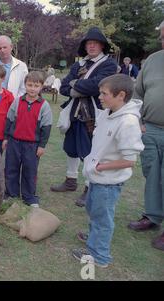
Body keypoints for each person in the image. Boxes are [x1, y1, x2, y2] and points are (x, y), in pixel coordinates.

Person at [72, 74, 144, 267]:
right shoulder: (107, 112)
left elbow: (129, 161)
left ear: (121, 95)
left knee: (103, 218)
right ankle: (94, 237)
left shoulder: (127, 122)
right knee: (94, 210)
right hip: (97, 177)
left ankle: (99, 256)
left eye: (104, 94)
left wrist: (100, 167)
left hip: (108, 181)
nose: (100, 97)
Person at [50, 27, 118, 207]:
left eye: (95, 43)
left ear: (102, 46)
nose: (92, 46)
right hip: (75, 113)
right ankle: (71, 180)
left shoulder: (109, 65)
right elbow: (64, 87)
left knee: (90, 152)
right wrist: (79, 87)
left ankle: (89, 187)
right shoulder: (78, 65)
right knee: (70, 148)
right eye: (89, 43)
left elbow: (98, 86)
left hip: (93, 115)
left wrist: (77, 85)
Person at [127, 21, 164, 251]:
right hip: (149, 129)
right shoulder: (152, 60)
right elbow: (137, 93)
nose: (162, 40)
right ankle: (152, 216)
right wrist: (137, 120)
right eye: (161, 35)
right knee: (151, 174)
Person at [3, 71, 53, 207]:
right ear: (25, 85)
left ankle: (29, 197)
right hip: (14, 142)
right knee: (10, 169)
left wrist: (42, 146)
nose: (32, 88)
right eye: (30, 85)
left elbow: (46, 127)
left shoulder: (44, 106)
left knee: (30, 171)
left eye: (36, 86)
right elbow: (9, 119)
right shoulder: (18, 101)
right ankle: (11, 193)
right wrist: (6, 138)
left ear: (41, 87)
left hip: (32, 145)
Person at [0, 35, 28, 101]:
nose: (2, 50)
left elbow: (24, 88)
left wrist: (15, 102)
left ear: (11, 47)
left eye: (5, 47)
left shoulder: (21, 66)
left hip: (13, 105)